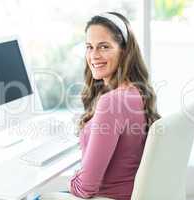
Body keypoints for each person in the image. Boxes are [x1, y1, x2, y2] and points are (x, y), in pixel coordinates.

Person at [36, 11, 160, 200]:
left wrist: (77, 175)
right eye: (89, 47)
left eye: (104, 47)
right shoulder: (136, 91)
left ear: (124, 50)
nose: (94, 55)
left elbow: (85, 188)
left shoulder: (112, 102)